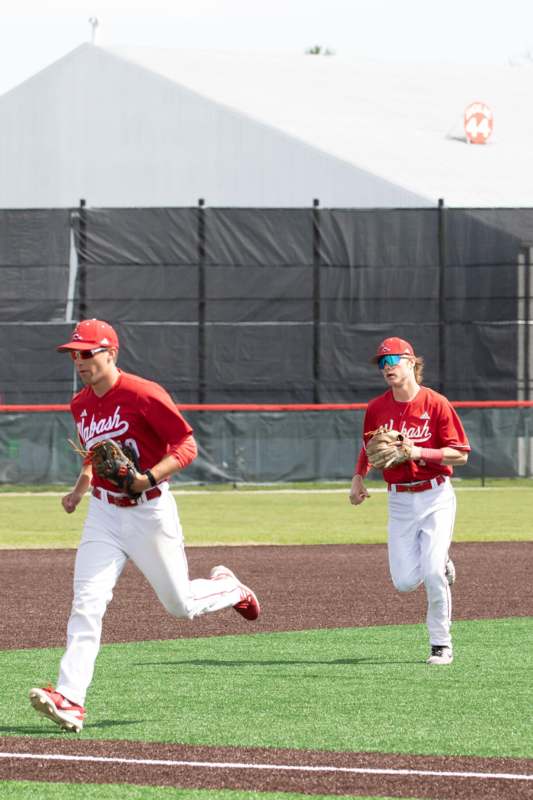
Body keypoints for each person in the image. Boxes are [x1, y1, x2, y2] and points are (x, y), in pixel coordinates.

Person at [29, 318, 260, 733]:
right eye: (74, 354)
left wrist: (148, 478)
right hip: (103, 513)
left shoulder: (143, 393)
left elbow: (186, 444)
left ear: (110, 354)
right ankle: (71, 698)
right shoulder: (80, 403)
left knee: (180, 606)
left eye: (87, 353)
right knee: (87, 602)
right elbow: (96, 455)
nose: (79, 361)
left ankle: (230, 587)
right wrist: (80, 490)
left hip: (149, 510)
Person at [349, 337, 470, 666]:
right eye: (381, 364)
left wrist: (418, 452)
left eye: (391, 362)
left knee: (431, 573)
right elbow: (369, 446)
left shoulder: (435, 403)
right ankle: (441, 563)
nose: (386, 369)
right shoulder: (376, 408)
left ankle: (440, 644)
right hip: (400, 501)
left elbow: (459, 454)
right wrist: (359, 476)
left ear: (411, 362)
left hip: (435, 495)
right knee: (404, 582)